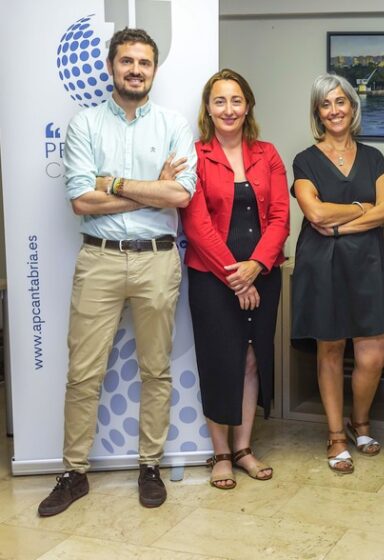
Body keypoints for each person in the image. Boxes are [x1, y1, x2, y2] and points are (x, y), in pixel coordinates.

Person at [38, 28, 196, 516]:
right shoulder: (85, 124)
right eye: (126, 61)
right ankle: (74, 472)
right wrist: (151, 188)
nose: (135, 69)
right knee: (84, 373)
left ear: (153, 69)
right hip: (99, 259)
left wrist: (118, 183)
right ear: (111, 67)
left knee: (156, 369)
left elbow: (180, 195)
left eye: (144, 62)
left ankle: (150, 464)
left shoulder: (173, 124)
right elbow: (82, 201)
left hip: (156, 259)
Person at [181, 69, 289, 489]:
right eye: (220, 101)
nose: (229, 109)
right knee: (219, 360)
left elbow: (281, 217)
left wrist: (256, 268)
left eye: (236, 100)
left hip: (263, 275)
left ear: (248, 107)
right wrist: (235, 277)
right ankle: (221, 453)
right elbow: (197, 224)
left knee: (250, 359)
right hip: (213, 278)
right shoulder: (195, 155)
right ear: (208, 108)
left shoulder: (268, 153)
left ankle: (243, 448)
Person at [291, 74, 384, 474]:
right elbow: (313, 213)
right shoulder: (305, 159)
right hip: (323, 266)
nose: (334, 110)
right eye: (325, 104)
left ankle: (361, 421)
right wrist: (360, 206)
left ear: (353, 107)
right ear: (318, 112)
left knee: (374, 353)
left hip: (368, 263)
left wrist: (339, 222)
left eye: (341, 102)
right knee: (330, 350)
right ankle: (336, 435)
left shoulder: (374, 157)